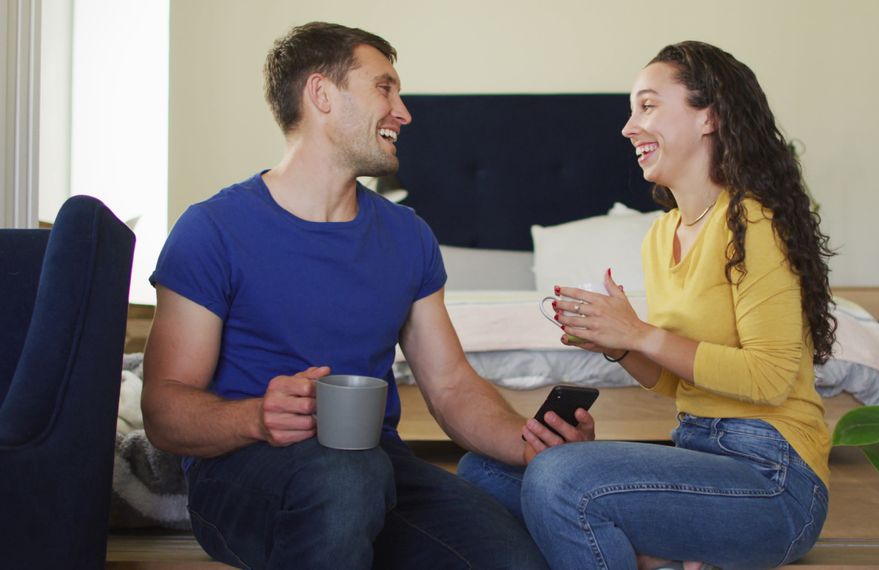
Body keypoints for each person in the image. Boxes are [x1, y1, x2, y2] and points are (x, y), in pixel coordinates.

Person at [141, 21, 594, 569]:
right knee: (347, 478)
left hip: (378, 467)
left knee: (511, 560)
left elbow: (451, 385)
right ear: (321, 94)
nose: (403, 111)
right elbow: (165, 410)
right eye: (384, 88)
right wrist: (256, 417)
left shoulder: (407, 236)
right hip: (243, 471)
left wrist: (529, 441)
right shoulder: (211, 230)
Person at [457, 41, 836, 569]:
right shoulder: (663, 235)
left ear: (710, 116)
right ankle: (655, 558)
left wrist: (637, 333)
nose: (629, 127)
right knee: (486, 471)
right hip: (697, 455)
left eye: (648, 106)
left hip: (773, 481)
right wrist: (616, 345)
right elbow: (676, 383)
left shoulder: (752, 223)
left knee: (560, 479)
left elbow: (769, 377)